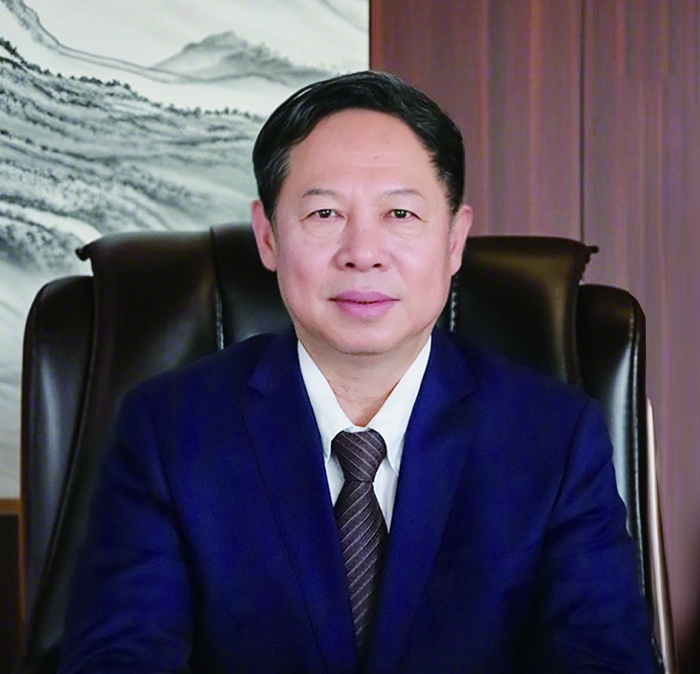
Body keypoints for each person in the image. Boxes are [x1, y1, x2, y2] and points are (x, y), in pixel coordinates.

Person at [58, 71, 658, 672]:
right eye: (324, 213)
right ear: (268, 237)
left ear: (454, 239)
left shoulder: (553, 438)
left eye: (400, 212)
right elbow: (118, 659)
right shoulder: (167, 431)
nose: (363, 252)